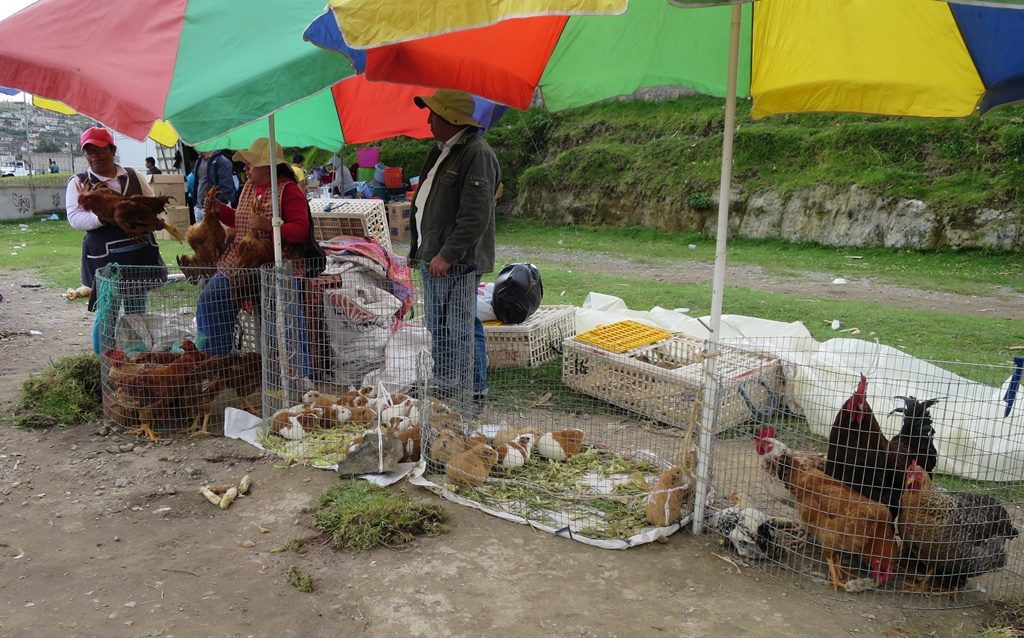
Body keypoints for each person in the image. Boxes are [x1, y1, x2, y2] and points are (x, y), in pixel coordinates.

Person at [409, 89, 500, 413]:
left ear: (451, 118)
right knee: (440, 326)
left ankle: (471, 392)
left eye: (434, 113)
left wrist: (447, 255)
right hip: (435, 257)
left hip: (456, 261)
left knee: (459, 327)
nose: (429, 118)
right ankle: (447, 386)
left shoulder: (476, 153)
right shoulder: (444, 151)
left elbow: (475, 217)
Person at [194, 138, 312, 355]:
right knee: (210, 299)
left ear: (267, 166)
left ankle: (296, 371)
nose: (245, 167)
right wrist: (220, 210)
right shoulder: (248, 187)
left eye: (250, 163)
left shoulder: (289, 190)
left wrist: (271, 227)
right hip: (240, 262)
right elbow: (240, 221)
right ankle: (215, 359)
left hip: (278, 263)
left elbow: (301, 231)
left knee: (285, 318)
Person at [65, 126, 167, 351]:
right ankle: (103, 364)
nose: (94, 156)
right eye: (89, 151)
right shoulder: (79, 182)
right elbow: (74, 218)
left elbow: (149, 206)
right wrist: (107, 216)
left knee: (137, 311)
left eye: (99, 149)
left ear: (112, 150)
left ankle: (137, 360)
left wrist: (144, 219)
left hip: (137, 253)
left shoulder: (133, 175)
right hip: (105, 258)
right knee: (107, 313)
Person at [193, 149, 236, 222]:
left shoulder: (223, 161)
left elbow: (226, 188)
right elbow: (197, 182)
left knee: (215, 233)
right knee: (200, 233)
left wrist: (217, 207)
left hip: (212, 209)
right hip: (199, 208)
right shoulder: (199, 161)